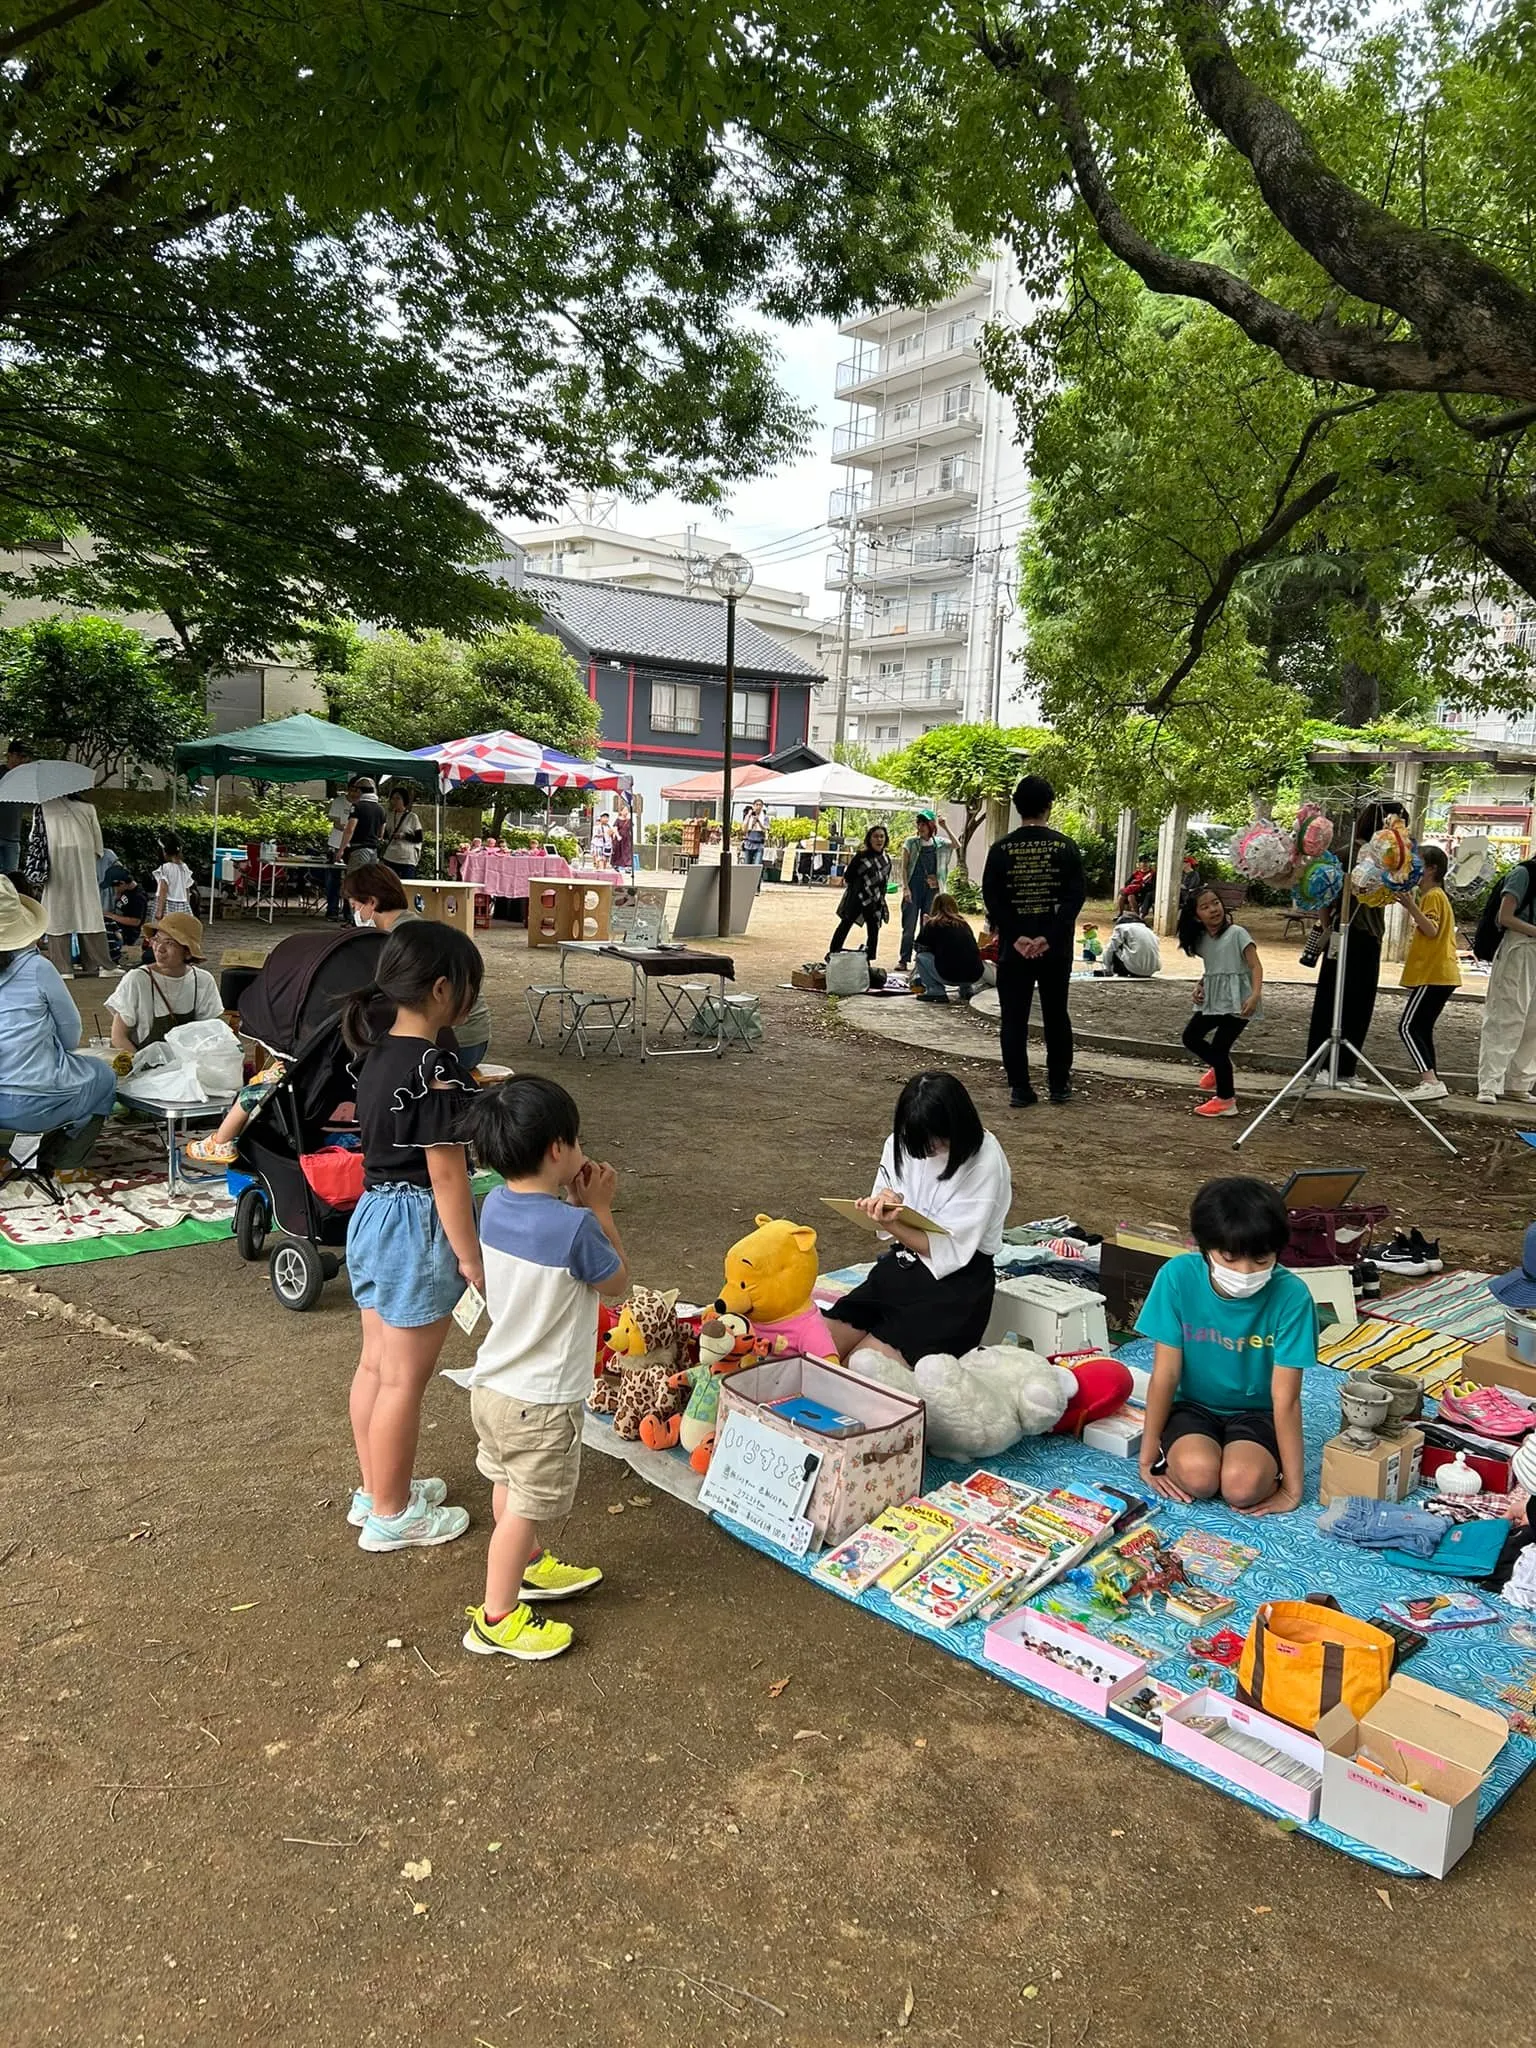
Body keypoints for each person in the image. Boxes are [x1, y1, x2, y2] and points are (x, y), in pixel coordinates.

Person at [446, 1076, 630, 1660]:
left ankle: (524, 1567)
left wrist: (576, 1204)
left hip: (493, 1387)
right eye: (575, 1142)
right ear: (557, 1148)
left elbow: (543, 1238)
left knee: (506, 1485)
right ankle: (497, 1617)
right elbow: (618, 1285)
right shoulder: (575, 1226)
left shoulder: (495, 1204)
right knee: (524, 1508)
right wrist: (599, 1208)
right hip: (541, 1402)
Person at [342, 921, 485, 1554]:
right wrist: (470, 1255)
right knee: (404, 1379)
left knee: (376, 1364)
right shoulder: (436, 1064)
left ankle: (377, 1490)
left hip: (372, 1212)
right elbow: (447, 1172)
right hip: (417, 1223)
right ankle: (393, 1514)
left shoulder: (376, 1052)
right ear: (443, 988)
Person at [1136, 1177, 1315, 1515]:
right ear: (1204, 1249)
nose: (1245, 1272)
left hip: (1257, 1412)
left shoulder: (1292, 1296)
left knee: (1241, 1487)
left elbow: (1285, 1398)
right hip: (1191, 1407)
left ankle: (1257, 1463)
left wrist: (1293, 1489)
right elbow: (1165, 1374)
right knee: (1199, 1477)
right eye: (1230, 1258)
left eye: (1261, 1260)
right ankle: (1180, 1450)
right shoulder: (1177, 1277)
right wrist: (1147, 1459)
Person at [825, 1071, 1012, 1367]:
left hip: (956, 1285)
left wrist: (891, 1223)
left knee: (861, 1366)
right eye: (920, 1141)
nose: (928, 1150)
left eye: (936, 1141)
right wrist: (885, 1204)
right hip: (903, 1266)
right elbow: (892, 1200)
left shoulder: (984, 1158)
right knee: (821, 1346)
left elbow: (948, 1251)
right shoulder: (902, 1141)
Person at [981, 774, 1087, 1109]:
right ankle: (1058, 1084)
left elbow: (993, 899)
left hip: (1014, 949)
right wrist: (1048, 937)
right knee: (1057, 1015)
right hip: (1055, 950)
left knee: (1013, 1018)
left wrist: (1016, 936)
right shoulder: (1065, 847)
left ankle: (1020, 1088)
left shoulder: (1000, 850)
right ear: (1049, 806)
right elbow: (1075, 898)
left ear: (1016, 806)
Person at [0, 876, 118, 1152]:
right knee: (103, 1075)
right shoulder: (38, 968)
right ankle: (62, 1157)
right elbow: (71, 1032)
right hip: (33, 1104)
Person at [342, 863, 494, 1067]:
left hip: (457, 1042)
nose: (355, 914)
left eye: (354, 906)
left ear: (371, 902)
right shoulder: (412, 927)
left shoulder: (398, 939)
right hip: (471, 1035)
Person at [1305, 799, 1408, 1088]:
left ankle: (1346, 1068)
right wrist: (1329, 929)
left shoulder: (1391, 858)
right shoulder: (1345, 854)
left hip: (1372, 934)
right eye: (1398, 823)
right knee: (1332, 998)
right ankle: (1319, 1065)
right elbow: (1323, 895)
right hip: (1346, 931)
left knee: (1361, 1002)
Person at [1177, 885, 1263, 1119]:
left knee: (1218, 1049)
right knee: (1192, 1037)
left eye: (1215, 902)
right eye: (1205, 907)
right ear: (1196, 915)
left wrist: (1255, 995)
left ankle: (1225, 1100)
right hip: (1215, 1000)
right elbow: (1216, 968)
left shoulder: (1238, 933)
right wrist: (1200, 985)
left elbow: (1255, 965)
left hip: (1240, 1001)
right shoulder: (1202, 940)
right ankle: (1220, 1067)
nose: (1213, 909)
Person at [106, 912, 222, 1051]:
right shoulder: (138, 979)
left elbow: (209, 1034)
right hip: (144, 1064)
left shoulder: (203, 981)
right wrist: (141, 1065)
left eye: (169, 943)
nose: (159, 948)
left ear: (188, 952)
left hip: (189, 1065)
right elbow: (118, 1037)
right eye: (157, 939)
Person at [1398, 845, 1458, 1104]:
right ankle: (1431, 1081)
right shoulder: (1435, 896)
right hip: (1440, 974)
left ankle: (1429, 1080)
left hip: (1434, 973)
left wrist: (1411, 907)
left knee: (1408, 1027)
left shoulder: (1433, 895)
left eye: (1417, 863)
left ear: (1432, 869)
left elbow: (1431, 930)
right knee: (1421, 1027)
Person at [1477, 851, 1536, 1104]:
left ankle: (1519, 1081)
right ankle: (1490, 1083)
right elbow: (1505, 917)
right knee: (1507, 1015)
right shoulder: (1524, 873)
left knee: (1533, 1019)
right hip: (1520, 946)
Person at [38, 794, 113, 977]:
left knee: (58, 914)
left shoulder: (43, 808)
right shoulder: (87, 807)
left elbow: (36, 840)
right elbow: (98, 846)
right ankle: (98, 964)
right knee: (89, 913)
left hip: (56, 866)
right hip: (84, 866)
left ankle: (63, 968)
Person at [897, 810, 954, 969]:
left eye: (924, 824)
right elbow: (904, 867)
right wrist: (905, 888)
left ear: (931, 826)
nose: (921, 827)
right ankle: (903, 959)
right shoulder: (911, 842)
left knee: (927, 925)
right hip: (914, 887)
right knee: (908, 925)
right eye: (919, 823)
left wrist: (945, 826)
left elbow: (957, 845)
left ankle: (921, 960)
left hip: (932, 890)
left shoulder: (939, 843)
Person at [828, 826, 892, 960]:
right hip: (858, 898)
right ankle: (833, 953)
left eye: (881, 836)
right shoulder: (861, 857)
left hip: (875, 899)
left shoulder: (886, 859)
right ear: (869, 839)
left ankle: (868, 959)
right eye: (875, 836)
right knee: (846, 924)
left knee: (874, 930)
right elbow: (848, 876)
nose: (879, 839)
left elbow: (884, 882)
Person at [913, 893, 984, 1003]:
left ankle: (936, 990)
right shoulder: (963, 923)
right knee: (963, 955)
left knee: (921, 957)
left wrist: (924, 928)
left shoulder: (933, 924)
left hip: (949, 974)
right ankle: (966, 989)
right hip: (974, 974)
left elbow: (919, 947)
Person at [324, 780, 357, 922]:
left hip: (353, 847)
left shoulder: (361, 805)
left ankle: (348, 912)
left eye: (358, 790)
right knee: (333, 879)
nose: (355, 793)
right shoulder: (338, 802)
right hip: (336, 843)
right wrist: (348, 827)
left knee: (351, 881)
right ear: (348, 789)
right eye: (353, 789)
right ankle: (332, 910)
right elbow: (336, 823)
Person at [337, 776, 385, 872]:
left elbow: (350, 829)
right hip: (373, 852)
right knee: (368, 882)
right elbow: (381, 833)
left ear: (360, 791)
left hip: (359, 850)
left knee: (354, 881)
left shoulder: (357, 806)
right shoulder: (381, 809)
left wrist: (341, 849)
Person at [1098, 909, 1161, 978]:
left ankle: (1121, 972)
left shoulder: (1122, 928)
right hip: (1151, 970)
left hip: (1133, 968)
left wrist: (1107, 968)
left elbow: (1110, 948)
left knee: (1115, 946)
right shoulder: (1148, 930)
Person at [0, 738, 31, 879]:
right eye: (19, 755)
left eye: (24, 757)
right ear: (10, 755)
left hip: (13, 837)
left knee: (12, 880)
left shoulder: (24, 779)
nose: (21, 760)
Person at [103, 866, 147, 964]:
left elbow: (136, 922)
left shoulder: (138, 897)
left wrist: (112, 916)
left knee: (105, 928)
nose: (114, 889)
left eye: (115, 886)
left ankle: (113, 958)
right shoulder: (124, 891)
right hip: (117, 925)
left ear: (122, 883)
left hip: (127, 932)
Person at [379, 786, 425, 880]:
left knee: (407, 885)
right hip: (390, 856)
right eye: (393, 798)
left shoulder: (412, 817)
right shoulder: (389, 815)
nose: (394, 801)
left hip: (406, 858)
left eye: (398, 798)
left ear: (404, 800)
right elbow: (386, 834)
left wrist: (403, 836)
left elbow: (419, 837)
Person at [151, 836, 196, 921]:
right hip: (182, 904)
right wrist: (187, 905)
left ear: (164, 851)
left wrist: (159, 910)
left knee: (163, 931)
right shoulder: (184, 867)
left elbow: (163, 890)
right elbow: (187, 889)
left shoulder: (165, 868)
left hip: (167, 905)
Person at [741, 800, 768, 866]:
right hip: (749, 843)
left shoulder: (765, 817)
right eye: (757, 805)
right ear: (753, 806)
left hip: (759, 844)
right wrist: (749, 816)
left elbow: (765, 829)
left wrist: (758, 821)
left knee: (757, 865)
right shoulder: (748, 816)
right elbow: (744, 829)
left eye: (760, 805)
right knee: (747, 865)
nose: (758, 807)